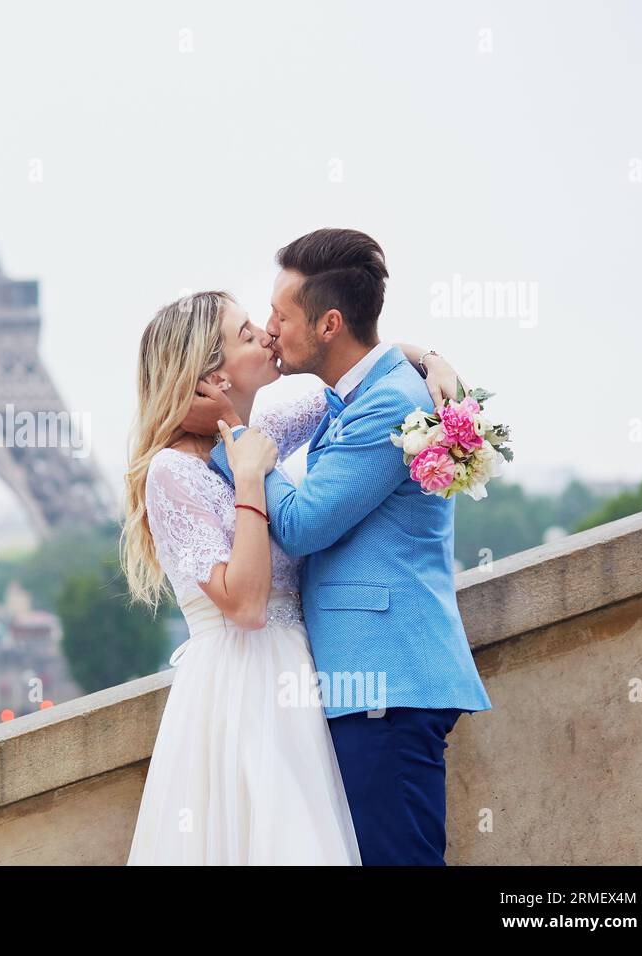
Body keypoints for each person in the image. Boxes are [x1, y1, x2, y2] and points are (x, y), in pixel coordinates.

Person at [121, 284, 462, 864]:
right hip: (243, 691)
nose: (268, 335)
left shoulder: (257, 434)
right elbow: (247, 604)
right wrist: (250, 479)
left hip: (302, 677)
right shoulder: (172, 473)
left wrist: (427, 359)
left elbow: (348, 388)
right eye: (247, 333)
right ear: (212, 374)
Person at [194, 228, 493, 865]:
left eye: (280, 316)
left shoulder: (388, 404)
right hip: (368, 686)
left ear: (330, 323)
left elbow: (301, 525)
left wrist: (238, 447)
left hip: (385, 685)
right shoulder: (364, 389)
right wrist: (426, 354)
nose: (270, 330)